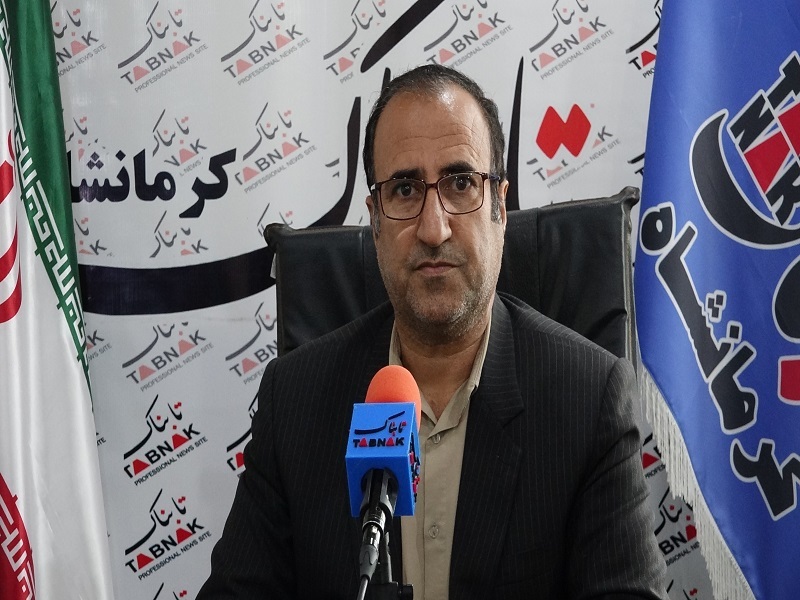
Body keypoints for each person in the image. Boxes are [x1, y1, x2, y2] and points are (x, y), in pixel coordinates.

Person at [197, 65, 667, 599]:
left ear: (500, 207)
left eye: (461, 183)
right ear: (375, 218)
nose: (433, 227)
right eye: (404, 190)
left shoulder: (589, 398)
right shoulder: (295, 401)